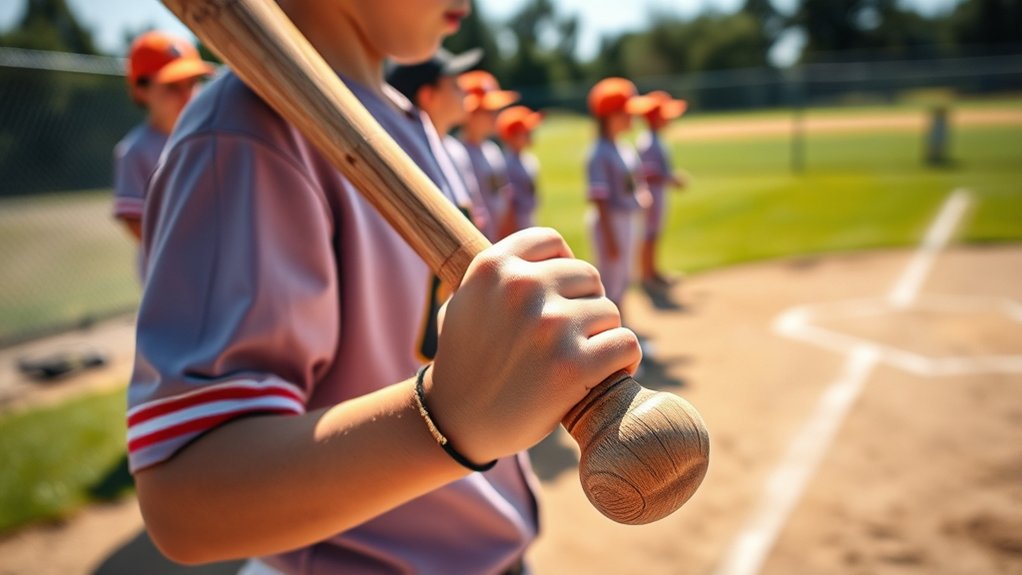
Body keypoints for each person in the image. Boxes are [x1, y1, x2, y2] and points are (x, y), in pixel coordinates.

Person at [128, 2, 640, 575]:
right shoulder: (246, 132)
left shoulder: (403, 115)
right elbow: (184, 500)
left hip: (482, 545)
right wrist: (446, 419)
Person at [112, 31, 213, 244]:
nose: (187, 96)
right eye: (172, 86)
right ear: (140, 91)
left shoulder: (213, 134)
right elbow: (136, 223)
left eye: (192, 83)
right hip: (178, 271)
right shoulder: (135, 151)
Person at [386, 47, 490, 233]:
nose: (466, 93)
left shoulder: (454, 149)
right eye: (456, 86)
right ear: (428, 96)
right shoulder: (407, 160)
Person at [584, 77, 657, 321]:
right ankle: (612, 341)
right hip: (610, 222)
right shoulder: (599, 152)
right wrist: (610, 238)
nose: (631, 118)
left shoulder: (624, 148)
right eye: (626, 112)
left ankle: (623, 328)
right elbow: (600, 200)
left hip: (626, 220)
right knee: (611, 284)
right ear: (610, 115)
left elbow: (634, 183)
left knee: (624, 278)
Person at [457, 70, 519, 241]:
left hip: (498, 239)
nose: (495, 116)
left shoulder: (492, 150)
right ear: (470, 112)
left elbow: (505, 197)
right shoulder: (458, 153)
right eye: (488, 110)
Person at [636, 91, 688, 288]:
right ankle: (646, 276)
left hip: (657, 193)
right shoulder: (649, 141)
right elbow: (646, 173)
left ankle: (653, 272)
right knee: (649, 235)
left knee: (655, 234)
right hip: (651, 195)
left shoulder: (654, 139)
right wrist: (670, 178)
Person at [496, 105, 543, 233]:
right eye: (526, 132)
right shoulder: (508, 164)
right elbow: (509, 202)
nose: (530, 135)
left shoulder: (528, 160)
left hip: (529, 216)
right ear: (512, 136)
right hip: (517, 223)